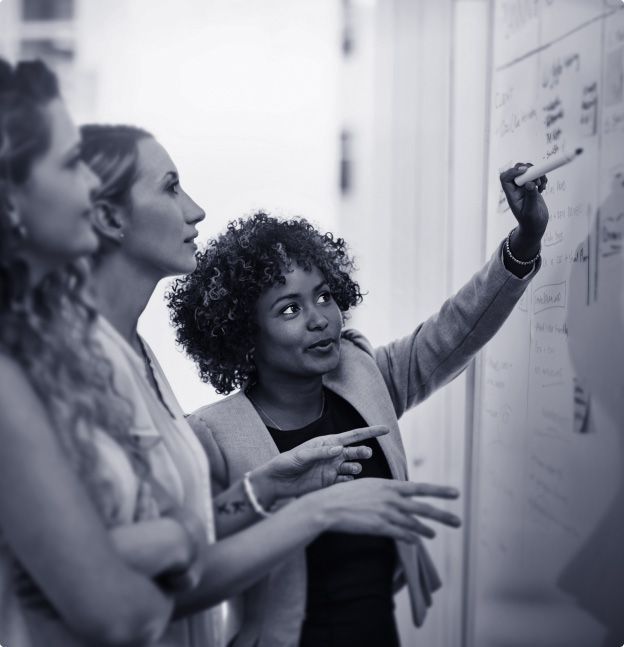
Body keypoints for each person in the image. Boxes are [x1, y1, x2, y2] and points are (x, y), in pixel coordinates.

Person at [80, 123, 463, 647]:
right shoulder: (101, 381)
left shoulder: (139, 357)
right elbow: (148, 580)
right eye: (170, 187)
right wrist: (312, 508)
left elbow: (184, 537)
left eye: (325, 296)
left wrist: (267, 487)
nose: (195, 210)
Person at [166, 170, 549, 647]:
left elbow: (453, 332)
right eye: (289, 309)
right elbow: (185, 554)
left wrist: (525, 240)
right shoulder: (212, 434)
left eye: (324, 296)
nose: (320, 319)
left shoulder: (362, 376)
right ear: (245, 335)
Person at [0, 58, 183, 647]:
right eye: (71, 162)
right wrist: (176, 543)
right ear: (9, 200)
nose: (87, 184)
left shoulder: (41, 348)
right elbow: (121, 617)